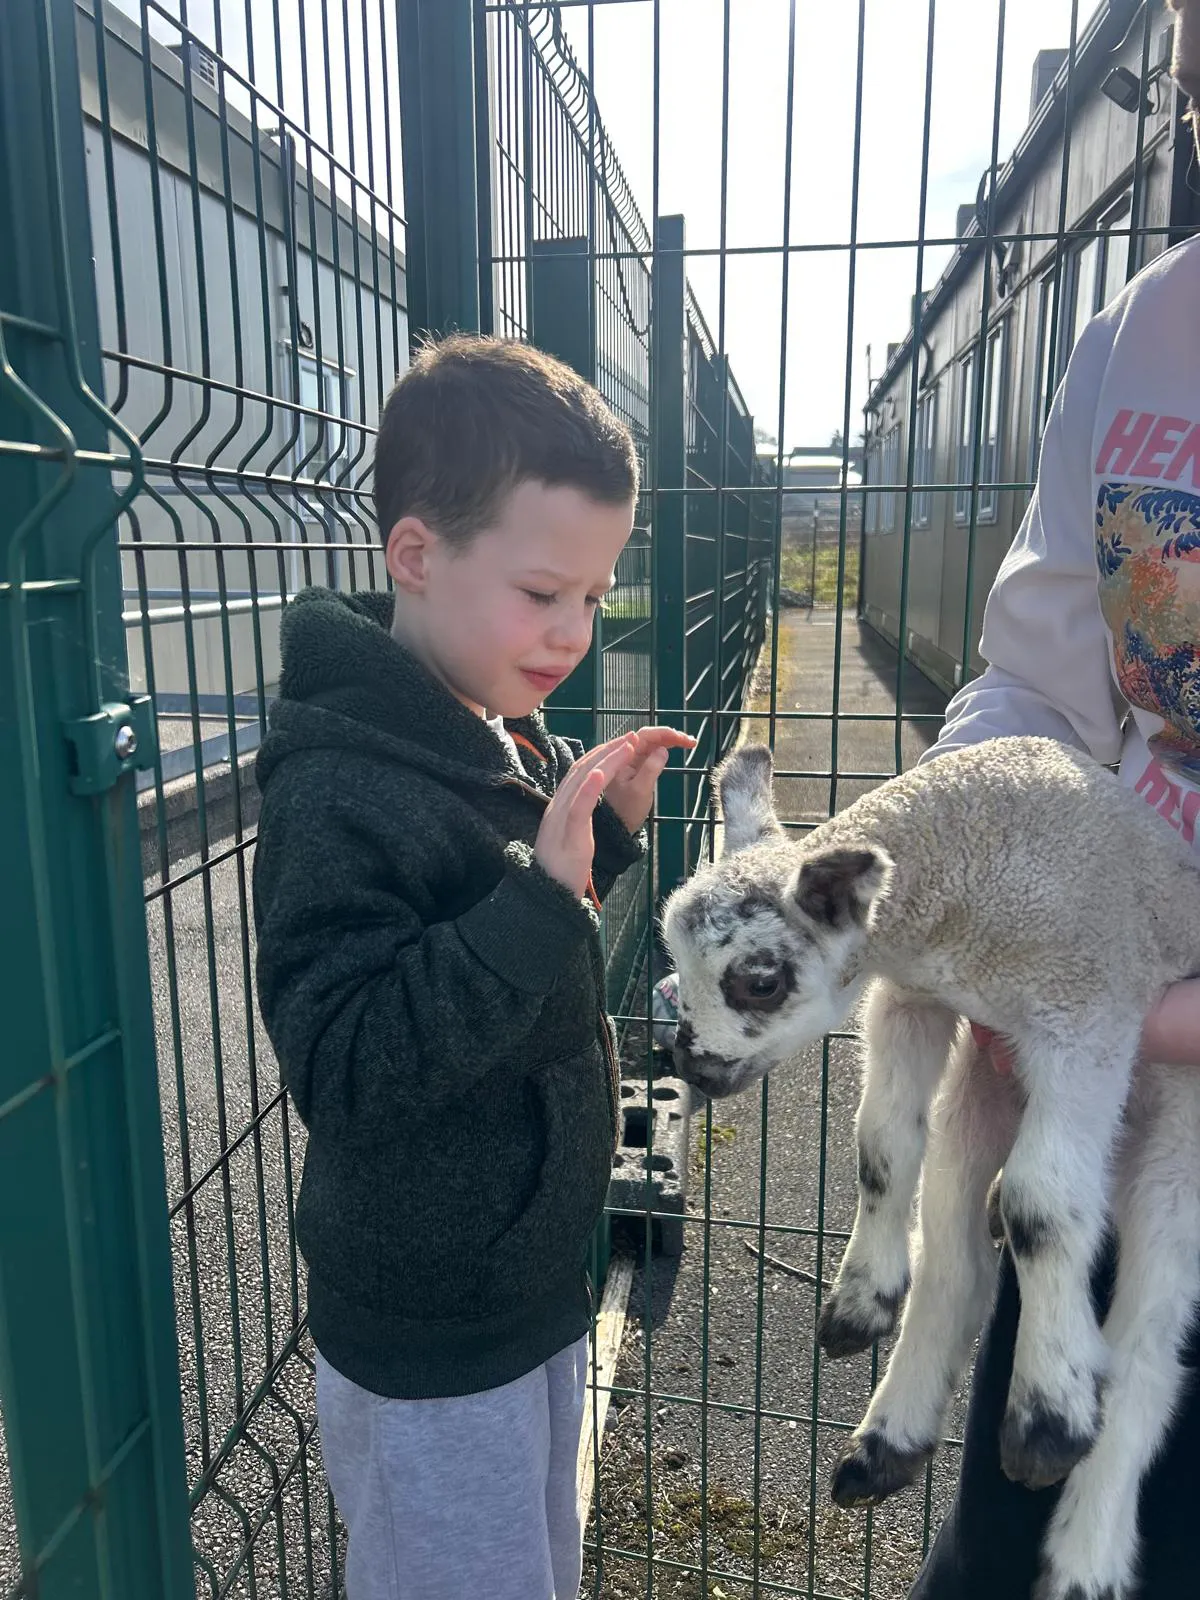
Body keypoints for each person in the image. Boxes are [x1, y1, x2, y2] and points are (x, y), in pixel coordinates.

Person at [252, 334, 692, 1600]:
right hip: (435, 1331)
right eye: (544, 591)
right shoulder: (339, 783)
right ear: (416, 555)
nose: (573, 631)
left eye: (597, 597)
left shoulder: (485, 725)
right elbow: (346, 1062)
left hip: (528, 1283)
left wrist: (596, 835)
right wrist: (539, 897)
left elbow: (507, 962)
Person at [910, 5, 1200, 1594]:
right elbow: (1037, 675)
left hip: (1132, 1027)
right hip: (1100, 1080)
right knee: (1021, 1538)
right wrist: (965, 851)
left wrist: (1135, 1011)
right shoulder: (1141, 333)